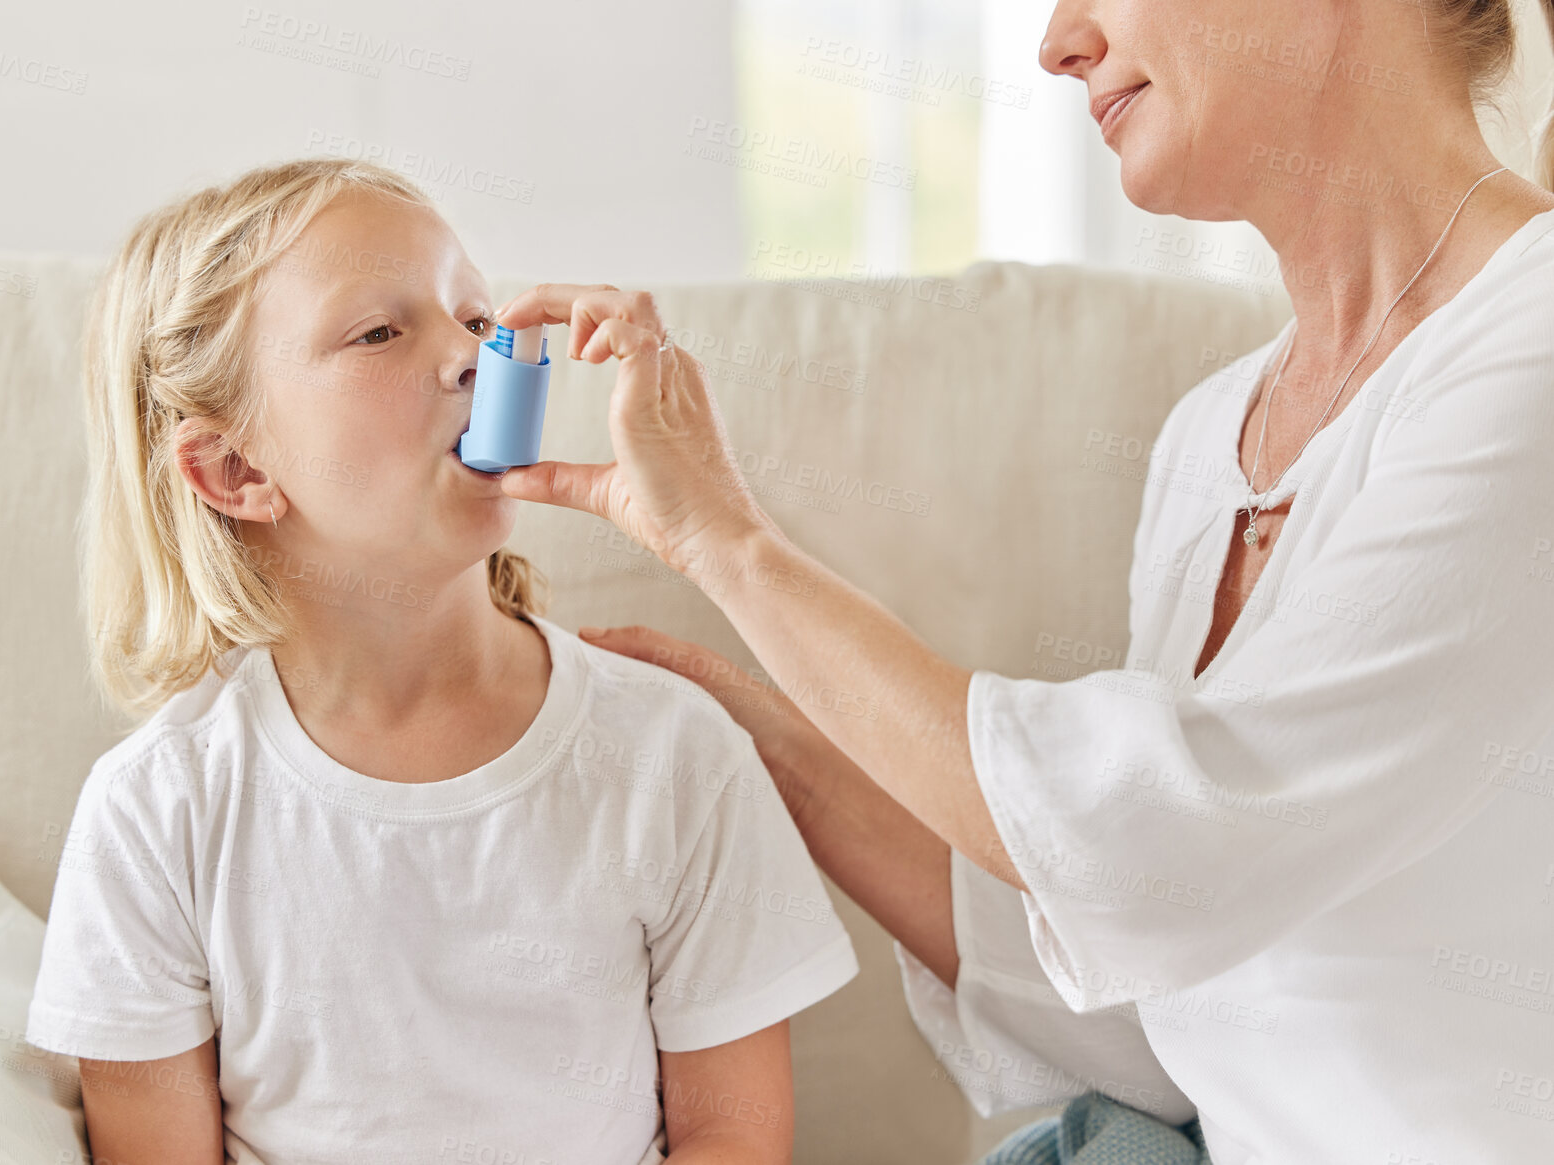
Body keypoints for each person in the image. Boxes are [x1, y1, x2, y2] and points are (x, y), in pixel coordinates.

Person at [487, 1, 1554, 1160]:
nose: (1056, 41)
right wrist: (761, 741)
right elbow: (1169, 1011)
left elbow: (1157, 861)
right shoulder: (1210, 437)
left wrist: (729, 546)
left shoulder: (1529, 347)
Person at [23, 157, 858, 1165]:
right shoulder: (157, 810)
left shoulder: (669, 752)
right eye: (378, 330)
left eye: (473, 315)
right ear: (236, 469)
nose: (476, 355)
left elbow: (734, 1137)